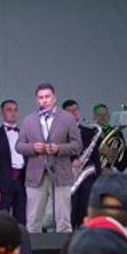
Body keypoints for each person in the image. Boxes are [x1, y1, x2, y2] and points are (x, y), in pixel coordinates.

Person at [16, 83, 82, 234]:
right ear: (36, 100)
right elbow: (19, 146)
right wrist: (33, 147)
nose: (44, 100)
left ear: (54, 98)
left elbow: (77, 145)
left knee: (64, 220)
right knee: (33, 221)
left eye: (47, 97)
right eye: (41, 98)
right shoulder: (28, 120)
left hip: (61, 173)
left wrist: (59, 148)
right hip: (36, 174)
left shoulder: (67, 119)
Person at [0, 99, 26, 225]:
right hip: (3, 183)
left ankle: (22, 243)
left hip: (22, 181)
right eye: (9, 110)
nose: (13, 113)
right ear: (2, 114)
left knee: (22, 218)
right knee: (3, 220)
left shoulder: (25, 134)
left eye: (15, 110)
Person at [64, 100, 100, 230]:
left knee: (86, 213)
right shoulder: (59, 134)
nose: (74, 113)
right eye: (70, 111)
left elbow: (96, 157)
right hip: (70, 178)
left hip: (87, 178)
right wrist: (72, 160)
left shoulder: (90, 133)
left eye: (76, 110)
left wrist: (97, 177)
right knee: (71, 213)